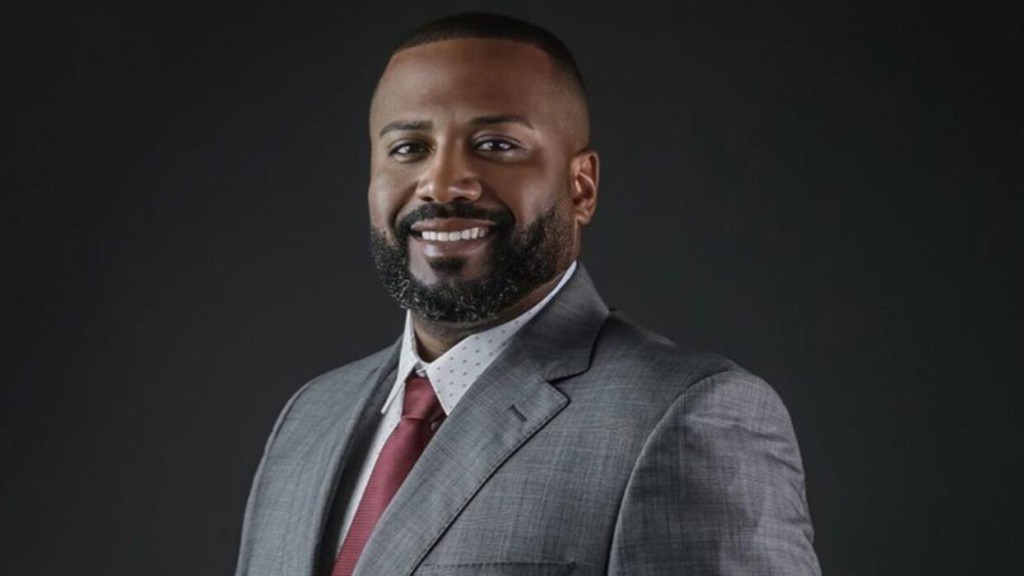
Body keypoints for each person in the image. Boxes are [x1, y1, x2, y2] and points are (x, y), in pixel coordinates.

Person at [234, 12, 821, 576]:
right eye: (409, 148)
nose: (442, 183)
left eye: (496, 144)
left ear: (581, 187)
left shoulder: (685, 417)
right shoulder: (309, 418)